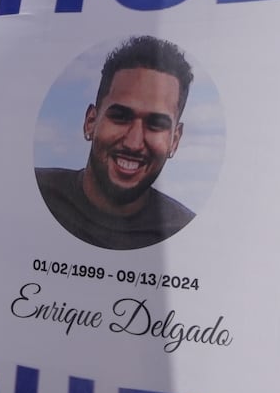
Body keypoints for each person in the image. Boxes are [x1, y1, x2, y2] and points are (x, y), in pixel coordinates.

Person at [36, 35, 197, 250]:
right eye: (120, 117)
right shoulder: (33, 193)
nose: (133, 143)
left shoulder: (186, 234)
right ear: (91, 122)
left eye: (155, 124)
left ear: (174, 141)